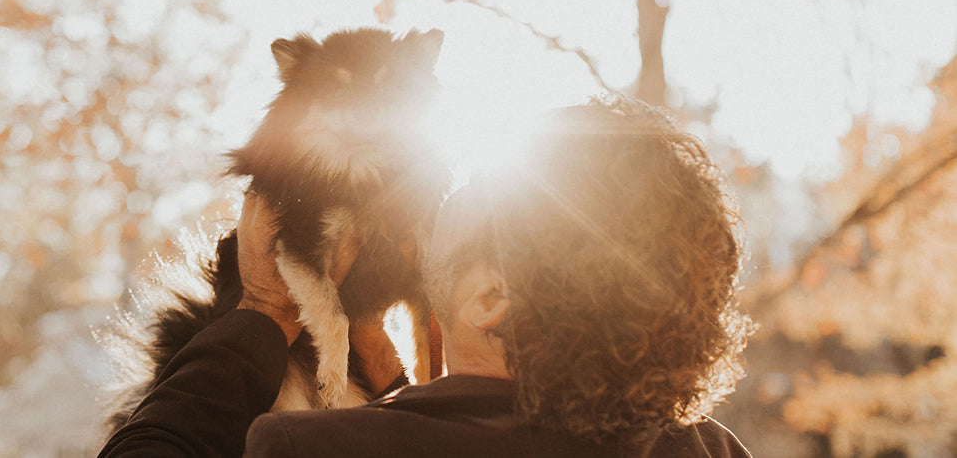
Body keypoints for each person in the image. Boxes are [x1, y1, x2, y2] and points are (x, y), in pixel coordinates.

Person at [99, 95, 754, 457]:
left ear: (492, 296)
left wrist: (264, 309)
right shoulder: (706, 452)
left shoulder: (313, 451)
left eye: (473, 191)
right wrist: (391, 378)